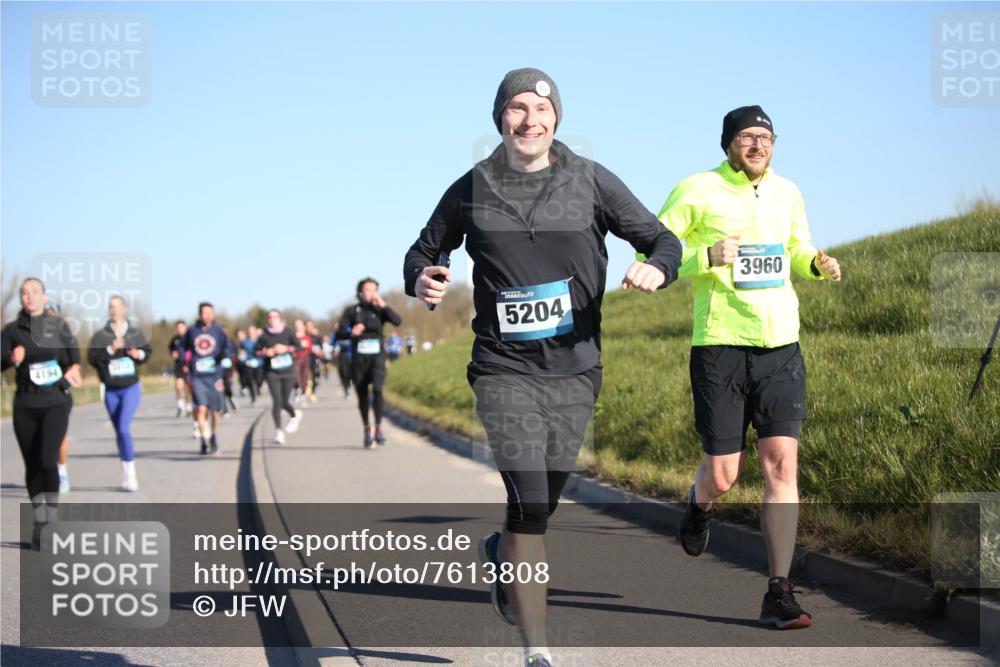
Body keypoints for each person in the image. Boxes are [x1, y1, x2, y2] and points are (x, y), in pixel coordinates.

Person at [403, 68, 681, 667]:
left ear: (557, 117)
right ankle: (537, 651)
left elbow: (662, 241)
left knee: (542, 502)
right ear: (499, 118)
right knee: (531, 504)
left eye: (541, 108)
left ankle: (505, 551)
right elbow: (424, 251)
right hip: (503, 367)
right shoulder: (471, 190)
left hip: (577, 367)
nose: (530, 119)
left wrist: (657, 267)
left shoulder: (590, 181)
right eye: (517, 108)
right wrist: (420, 276)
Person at [657, 105, 842, 630]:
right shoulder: (696, 189)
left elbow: (796, 247)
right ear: (728, 144)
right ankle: (698, 504)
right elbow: (659, 249)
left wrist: (815, 264)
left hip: (781, 344)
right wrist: (706, 256)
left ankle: (779, 590)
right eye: (746, 137)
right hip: (719, 345)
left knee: (782, 465)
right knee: (724, 473)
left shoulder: (788, 192)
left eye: (765, 137)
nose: (757, 145)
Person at [1, 278, 83, 548]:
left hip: (55, 401)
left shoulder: (59, 326)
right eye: (24, 293)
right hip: (25, 403)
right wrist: (11, 360)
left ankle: (51, 519)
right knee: (33, 466)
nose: (29, 297)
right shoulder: (13, 331)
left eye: (34, 292)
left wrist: (74, 370)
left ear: (44, 297)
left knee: (48, 460)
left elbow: (74, 359)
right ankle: (39, 521)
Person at [87, 295, 153, 491]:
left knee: (124, 428)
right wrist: (110, 349)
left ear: (124, 308)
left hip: (130, 387)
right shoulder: (101, 335)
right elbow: (92, 358)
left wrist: (137, 354)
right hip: (111, 389)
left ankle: (131, 472)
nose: (113, 310)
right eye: (110, 307)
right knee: (119, 431)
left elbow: (147, 353)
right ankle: (125, 468)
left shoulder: (134, 333)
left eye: (117, 306)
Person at [339, 278, 401, 447]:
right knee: (362, 394)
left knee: (379, 389)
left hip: (377, 357)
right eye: (368, 290)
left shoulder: (380, 309)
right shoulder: (351, 311)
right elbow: (339, 333)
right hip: (359, 359)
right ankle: (367, 428)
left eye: (375, 290)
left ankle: (379, 429)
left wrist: (384, 306)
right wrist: (351, 332)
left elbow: (397, 321)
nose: (372, 293)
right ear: (360, 293)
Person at [180, 302, 232, 456]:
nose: (207, 316)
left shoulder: (219, 331)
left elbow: (228, 348)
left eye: (210, 313)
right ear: (199, 314)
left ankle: (213, 437)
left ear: (213, 314)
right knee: (201, 408)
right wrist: (184, 361)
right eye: (204, 313)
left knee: (215, 411)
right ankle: (205, 437)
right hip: (197, 375)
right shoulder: (192, 331)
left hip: (214, 374)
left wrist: (224, 356)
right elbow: (183, 347)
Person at [254, 310, 302, 445]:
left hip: (288, 371)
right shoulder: (264, 334)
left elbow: (298, 347)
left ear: (280, 318)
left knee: (285, 401)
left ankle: (294, 414)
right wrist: (265, 352)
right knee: (277, 401)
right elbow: (255, 351)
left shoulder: (288, 332)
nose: (272, 319)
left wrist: (286, 349)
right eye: (269, 317)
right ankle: (278, 432)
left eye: (274, 317)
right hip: (272, 372)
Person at [168, 320, 192, 417]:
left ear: (185, 327)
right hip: (178, 365)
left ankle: (189, 407)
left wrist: (188, 364)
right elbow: (171, 350)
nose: (180, 329)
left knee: (189, 389)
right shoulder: (175, 339)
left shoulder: (190, 338)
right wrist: (173, 354)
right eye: (178, 328)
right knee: (178, 387)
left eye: (181, 327)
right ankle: (180, 406)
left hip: (189, 365)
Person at [332, 325, 353, 400]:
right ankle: (346, 392)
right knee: (343, 373)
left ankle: (350, 383)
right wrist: (334, 350)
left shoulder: (351, 330)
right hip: (342, 356)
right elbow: (332, 344)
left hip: (352, 356)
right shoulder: (337, 333)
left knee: (350, 373)